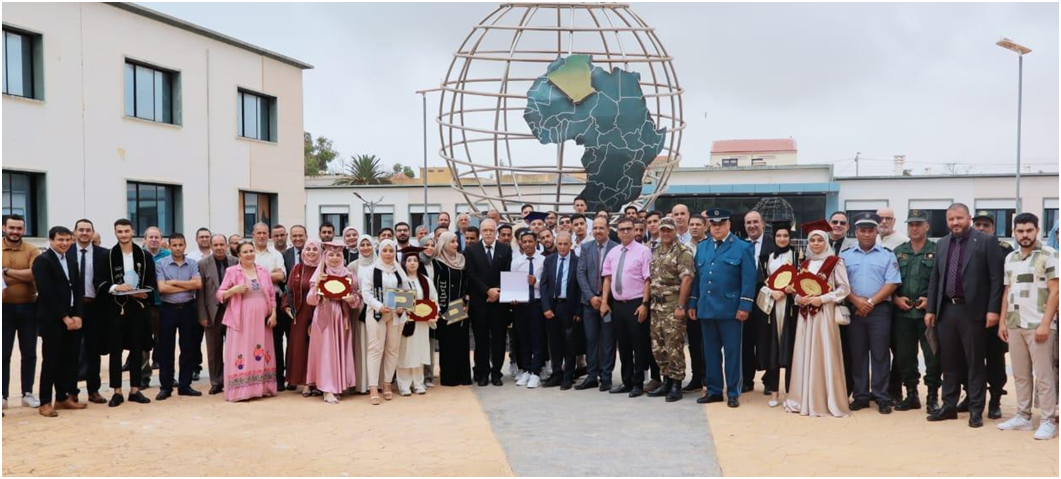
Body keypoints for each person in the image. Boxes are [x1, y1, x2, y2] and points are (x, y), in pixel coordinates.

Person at [925, 203, 1004, 428]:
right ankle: (949, 405)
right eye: (951, 219)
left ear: (968, 217)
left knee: (975, 362)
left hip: (974, 312)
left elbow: (996, 279)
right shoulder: (941, 243)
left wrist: (993, 310)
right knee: (948, 361)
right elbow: (935, 279)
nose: (955, 223)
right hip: (946, 310)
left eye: (959, 218)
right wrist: (931, 309)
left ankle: (976, 409)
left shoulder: (986, 241)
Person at [996, 213, 1058, 440]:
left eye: (1029, 230)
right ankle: (1023, 416)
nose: (1024, 235)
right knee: (1020, 374)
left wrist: (1045, 324)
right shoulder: (1010, 257)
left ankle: (1048, 420)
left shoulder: (1050, 255)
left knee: (1044, 375)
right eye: (1020, 231)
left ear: (1037, 230)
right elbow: (1007, 290)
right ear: (1014, 232)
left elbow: (1055, 291)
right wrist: (1003, 320)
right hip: (1015, 324)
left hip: (1039, 325)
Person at [783, 222, 852, 417]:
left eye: (819, 239)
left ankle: (823, 398)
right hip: (805, 316)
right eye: (812, 240)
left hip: (825, 315)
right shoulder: (804, 264)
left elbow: (844, 289)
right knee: (804, 353)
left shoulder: (835, 262)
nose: (815, 243)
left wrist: (821, 299)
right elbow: (797, 290)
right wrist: (799, 298)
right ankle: (802, 397)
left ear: (826, 241)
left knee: (824, 352)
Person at [688, 208, 755, 407]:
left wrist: (745, 306)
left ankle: (733, 392)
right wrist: (693, 302)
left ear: (728, 225)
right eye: (714, 224)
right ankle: (715, 390)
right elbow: (698, 278)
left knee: (733, 353)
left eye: (721, 224)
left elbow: (748, 280)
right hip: (707, 308)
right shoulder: (703, 246)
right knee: (710, 352)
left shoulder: (742, 248)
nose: (717, 228)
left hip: (730, 309)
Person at [841, 212, 901, 414]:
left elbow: (892, 282)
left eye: (870, 230)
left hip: (879, 310)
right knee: (857, 354)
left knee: (880, 354)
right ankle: (861, 396)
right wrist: (856, 301)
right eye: (862, 230)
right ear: (856, 232)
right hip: (855, 309)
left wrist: (870, 302)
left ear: (877, 232)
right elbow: (840, 284)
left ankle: (881, 396)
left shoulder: (887, 254)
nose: (866, 234)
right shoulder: (845, 256)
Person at [100, 218, 156, 407]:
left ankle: (135, 389)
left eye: (126, 231)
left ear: (133, 232)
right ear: (115, 233)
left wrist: (143, 292)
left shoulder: (144, 255)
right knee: (115, 350)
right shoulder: (108, 256)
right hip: (116, 307)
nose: (123, 235)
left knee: (137, 347)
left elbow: (151, 281)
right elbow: (100, 282)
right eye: (119, 231)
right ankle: (116, 391)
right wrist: (117, 286)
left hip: (138, 307)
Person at [889, 210, 941, 413]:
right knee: (904, 356)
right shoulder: (898, 251)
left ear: (927, 226)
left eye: (918, 224)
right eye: (911, 224)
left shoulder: (937, 251)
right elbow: (890, 280)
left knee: (933, 356)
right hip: (903, 313)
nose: (914, 228)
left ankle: (932, 396)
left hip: (927, 315)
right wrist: (895, 298)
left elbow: (942, 282)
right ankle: (911, 394)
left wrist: (931, 301)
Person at [33, 226, 85, 417]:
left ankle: (62, 398)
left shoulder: (71, 260)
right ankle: (45, 401)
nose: (64, 243)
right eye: (60, 240)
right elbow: (46, 294)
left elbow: (78, 290)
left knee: (70, 360)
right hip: (52, 319)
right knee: (51, 360)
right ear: (51, 240)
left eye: (67, 240)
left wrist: (78, 315)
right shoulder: (42, 261)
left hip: (73, 316)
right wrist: (64, 317)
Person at [217, 242, 278, 402]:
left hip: (262, 320)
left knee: (261, 349)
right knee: (242, 349)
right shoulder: (232, 271)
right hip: (241, 318)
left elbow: (272, 295)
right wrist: (233, 290)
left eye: (251, 251)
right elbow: (220, 293)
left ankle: (262, 387)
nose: (249, 254)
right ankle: (241, 390)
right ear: (239, 255)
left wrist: (274, 314)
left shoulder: (263, 271)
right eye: (245, 252)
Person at [600, 217, 653, 397]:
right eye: (621, 229)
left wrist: (645, 304)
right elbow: (607, 278)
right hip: (618, 305)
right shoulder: (613, 252)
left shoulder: (644, 252)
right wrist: (605, 302)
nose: (625, 232)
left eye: (629, 229)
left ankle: (638, 383)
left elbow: (648, 279)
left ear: (635, 230)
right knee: (622, 346)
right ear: (617, 230)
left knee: (638, 346)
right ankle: (627, 381)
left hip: (636, 303)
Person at [645, 218, 694, 402]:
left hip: (673, 306)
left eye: (669, 230)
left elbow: (687, 279)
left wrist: (681, 306)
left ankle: (676, 384)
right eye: (663, 230)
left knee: (674, 346)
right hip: (656, 307)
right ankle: (666, 380)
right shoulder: (657, 251)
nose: (665, 233)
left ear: (675, 231)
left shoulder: (683, 252)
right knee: (658, 346)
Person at [306, 241, 362, 404]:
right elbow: (310, 300)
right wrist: (317, 285)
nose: (335, 258)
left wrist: (352, 299)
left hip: (341, 316)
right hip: (324, 315)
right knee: (326, 351)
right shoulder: (320, 274)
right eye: (331, 254)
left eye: (338, 254)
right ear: (325, 256)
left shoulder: (348, 275)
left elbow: (356, 299)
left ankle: (337, 385)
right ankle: (327, 388)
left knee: (340, 350)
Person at [970, 210, 1012, 418]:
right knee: (969, 358)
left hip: (995, 313)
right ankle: (970, 396)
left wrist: (997, 312)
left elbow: (1004, 284)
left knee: (995, 359)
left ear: (993, 228)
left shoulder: (1004, 249)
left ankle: (995, 399)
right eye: (978, 225)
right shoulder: (965, 246)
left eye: (986, 225)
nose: (981, 229)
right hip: (970, 314)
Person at [154, 233, 203, 400]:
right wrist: (187, 286)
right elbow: (162, 288)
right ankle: (166, 387)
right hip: (168, 309)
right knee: (166, 349)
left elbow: (197, 284)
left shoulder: (193, 263)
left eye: (180, 245)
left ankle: (185, 385)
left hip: (188, 309)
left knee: (188, 348)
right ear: (169, 245)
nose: (177, 248)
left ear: (185, 245)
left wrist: (173, 282)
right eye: (174, 245)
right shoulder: (161, 264)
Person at [464, 219, 513, 386]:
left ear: (496, 231)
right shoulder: (471, 250)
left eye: (491, 230)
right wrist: (487, 290)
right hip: (480, 302)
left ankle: (497, 373)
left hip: (499, 302)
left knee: (499, 339)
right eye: (485, 230)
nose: (488, 233)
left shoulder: (505, 249)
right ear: (481, 232)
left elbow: (507, 272)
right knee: (481, 339)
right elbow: (471, 274)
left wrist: (497, 291)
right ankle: (482, 373)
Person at [756, 222, 800, 407]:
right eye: (779, 236)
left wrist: (793, 289)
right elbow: (759, 282)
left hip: (791, 308)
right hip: (772, 308)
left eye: (785, 236)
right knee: (773, 349)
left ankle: (791, 394)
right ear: (773, 238)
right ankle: (774, 392)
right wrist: (771, 292)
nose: (782, 239)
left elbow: (806, 281)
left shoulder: (798, 256)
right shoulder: (766, 258)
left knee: (791, 350)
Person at [359, 239, 407, 404]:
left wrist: (402, 306)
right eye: (385, 250)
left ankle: (387, 384)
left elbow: (406, 292)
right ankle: (373, 387)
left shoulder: (399, 272)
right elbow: (366, 293)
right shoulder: (371, 270)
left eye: (391, 251)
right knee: (375, 349)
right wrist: (379, 306)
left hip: (396, 315)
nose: (388, 254)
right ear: (379, 251)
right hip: (376, 313)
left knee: (393, 349)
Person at [575, 217, 618, 391]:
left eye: (602, 228)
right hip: (589, 302)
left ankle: (606, 376)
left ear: (608, 229)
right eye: (595, 228)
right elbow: (580, 273)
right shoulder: (586, 248)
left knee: (608, 341)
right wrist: (591, 297)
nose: (598, 231)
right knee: (591, 340)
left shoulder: (616, 248)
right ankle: (592, 376)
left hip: (610, 303)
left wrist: (605, 299)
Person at [68, 219, 109, 404]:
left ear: (93, 233)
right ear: (74, 232)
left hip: (96, 308)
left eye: (88, 230)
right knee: (71, 350)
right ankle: (71, 391)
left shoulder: (104, 254)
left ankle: (94, 390)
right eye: (81, 230)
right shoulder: (66, 252)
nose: (84, 233)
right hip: (73, 307)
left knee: (94, 350)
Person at [540, 232, 582, 390]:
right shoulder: (549, 260)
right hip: (552, 306)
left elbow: (579, 289)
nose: (563, 247)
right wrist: (546, 307)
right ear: (556, 244)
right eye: (560, 244)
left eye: (566, 244)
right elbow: (543, 285)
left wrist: (578, 311)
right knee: (554, 342)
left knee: (569, 342)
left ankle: (568, 375)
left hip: (569, 307)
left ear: (570, 245)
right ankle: (556, 373)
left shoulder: (577, 262)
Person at [197, 234, 236, 395]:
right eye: (216, 244)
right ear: (211, 246)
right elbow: (200, 293)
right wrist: (202, 315)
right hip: (212, 312)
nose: (219, 247)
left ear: (227, 245)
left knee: (234, 348)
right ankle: (216, 382)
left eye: (222, 244)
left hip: (232, 311)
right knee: (214, 350)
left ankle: (233, 379)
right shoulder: (202, 264)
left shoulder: (235, 261)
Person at [252, 222, 289, 391]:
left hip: (274, 300)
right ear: (253, 234)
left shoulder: (276, 254)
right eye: (258, 233)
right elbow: (243, 277)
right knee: (254, 341)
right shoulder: (247, 252)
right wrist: (269, 274)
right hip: (251, 302)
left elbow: (281, 276)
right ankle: (255, 378)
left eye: (264, 233)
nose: (261, 236)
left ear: (269, 235)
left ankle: (278, 379)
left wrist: (257, 275)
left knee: (275, 342)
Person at [396, 248, 438, 396]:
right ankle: (404, 385)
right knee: (404, 352)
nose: (412, 263)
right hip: (405, 322)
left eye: (415, 260)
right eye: (409, 261)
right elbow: (395, 300)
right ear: (404, 263)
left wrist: (434, 314)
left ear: (419, 263)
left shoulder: (425, 281)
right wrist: (399, 309)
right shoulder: (399, 280)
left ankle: (418, 383)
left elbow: (433, 300)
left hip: (421, 323)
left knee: (419, 352)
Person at [431, 232, 470, 386]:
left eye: (456, 241)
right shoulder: (437, 262)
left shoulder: (462, 260)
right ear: (444, 243)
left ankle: (464, 376)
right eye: (452, 241)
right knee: (448, 344)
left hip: (461, 309)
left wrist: (467, 298)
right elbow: (435, 285)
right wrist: (439, 309)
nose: (456, 244)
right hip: (445, 310)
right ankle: (449, 377)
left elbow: (466, 282)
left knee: (462, 342)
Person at [283, 241, 321, 397]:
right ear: (303, 251)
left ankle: (318, 382)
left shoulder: (324, 269)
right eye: (308, 249)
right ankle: (305, 382)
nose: (311, 252)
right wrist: (286, 306)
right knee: (301, 347)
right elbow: (288, 290)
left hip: (320, 312)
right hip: (300, 313)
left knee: (319, 348)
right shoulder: (297, 269)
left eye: (315, 249)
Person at [510, 230, 547, 388]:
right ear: (520, 243)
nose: (527, 244)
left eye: (530, 241)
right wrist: (513, 296)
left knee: (537, 339)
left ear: (536, 242)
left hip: (537, 303)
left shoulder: (544, 260)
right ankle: (525, 369)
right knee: (523, 338)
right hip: (521, 305)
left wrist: (536, 282)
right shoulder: (517, 261)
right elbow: (512, 282)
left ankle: (536, 372)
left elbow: (547, 284)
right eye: (524, 242)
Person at [742, 210, 770, 393]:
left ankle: (769, 380)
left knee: (766, 340)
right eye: (748, 223)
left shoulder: (773, 244)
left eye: (755, 222)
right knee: (745, 341)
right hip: (745, 299)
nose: (752, 226)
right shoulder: (740, 245)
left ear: (763, 224)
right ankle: (747, 380)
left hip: (767, 298)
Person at [347, 236, 378, 394]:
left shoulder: (380, 263)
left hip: (377, 310)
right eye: (362, 245)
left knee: (376, 344)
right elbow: (348, 288)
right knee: (360, 344)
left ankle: (376, 383)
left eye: (368, 245)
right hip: (359, 309)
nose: (365, 248)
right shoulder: (353, 265)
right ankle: (362, 383)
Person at [141, 226, 170, 388]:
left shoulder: (168, 256)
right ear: (144, 239)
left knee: (165, 342)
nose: (153, 240)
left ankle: (167, 376)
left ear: (161, 239)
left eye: (156, 237)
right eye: (150, 237)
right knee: (143, 342)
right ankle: (144, 375)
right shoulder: (138, 255)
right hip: (143, 305)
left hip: (163, 304)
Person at [416, 239, 439, 387]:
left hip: (431, 306)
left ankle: (428, 375)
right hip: (418, 307)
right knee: (417, 342)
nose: (429, 248)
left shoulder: (436, 263)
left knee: (430, 342)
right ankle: (418, 375)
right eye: (426, 245)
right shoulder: (416, 261)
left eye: (432, 245)